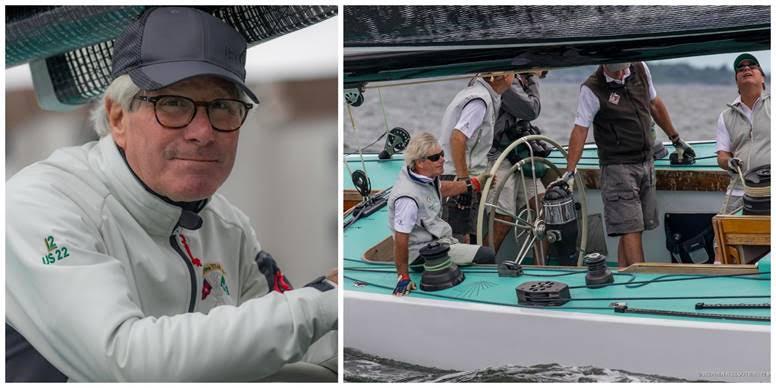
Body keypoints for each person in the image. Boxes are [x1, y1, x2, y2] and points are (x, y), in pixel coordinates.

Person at [6, 7, 337, 382]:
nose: (203, 131)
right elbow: (129, 363)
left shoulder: (228, 228)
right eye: (174, 104)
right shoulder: (42, 203)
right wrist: (322, 302)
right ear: (117, 117)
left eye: (223, 107)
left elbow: (277, 359)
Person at [562, 62, 695, 267]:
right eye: (617, 69)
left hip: (645, 162)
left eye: (624, 67)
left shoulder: (640, 68)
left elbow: (654, 104)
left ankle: (624, 277)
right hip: (617, 168)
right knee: (631, 228)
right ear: (604, 64)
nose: (623, 72)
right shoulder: (592, 88)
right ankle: (639, 286)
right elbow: (580, 129)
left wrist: (676, 139)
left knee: (633, 228)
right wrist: (570, 172)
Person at [388, 132, 495, 296]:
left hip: (437, 241)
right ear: (420, 163)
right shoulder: (407, 199)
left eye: (442, 154)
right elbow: (401, 239)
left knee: (468, 246)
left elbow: (442, 188)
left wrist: (473, 183)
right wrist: (403, 276)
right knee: (487, 255)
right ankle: (483, 294)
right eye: (435, 157)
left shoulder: (424, 178)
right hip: (421, 255)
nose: (443, 159)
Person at [439, 71, 514, 244]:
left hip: (456, 173)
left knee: (464, 237)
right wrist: (465, 183)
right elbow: (457, 137)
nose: (515, 77)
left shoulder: (474, 93)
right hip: (460, 177)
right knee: (460, 240)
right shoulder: (480, 100)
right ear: (501, 76)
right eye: (512, 73)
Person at [488, 71, 546, 254]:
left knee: (542, 209)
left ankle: (540, 269)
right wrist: (534, 78)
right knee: (503, 218)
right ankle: (481, 264)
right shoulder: (504, 79)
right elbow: (531, 110)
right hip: (499, 156)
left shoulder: (522, 80)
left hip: (518, 153)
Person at [715, 53, 770, 214]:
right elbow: (722, 156)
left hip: (771, 188)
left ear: (762, 78)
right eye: (740, 68)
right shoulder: (725, 116)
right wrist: (730, 162)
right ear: (737, 82)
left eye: (752, 66)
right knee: (722, 239)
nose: (746, 68)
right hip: (739, 190)